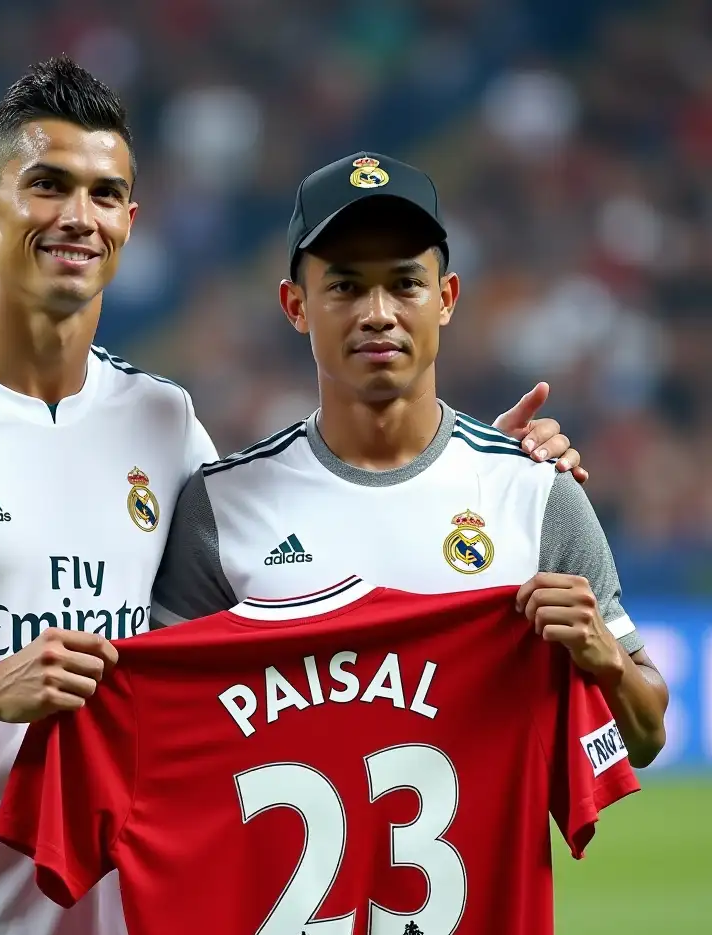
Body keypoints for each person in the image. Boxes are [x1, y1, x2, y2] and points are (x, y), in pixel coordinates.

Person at [0, 55, 583, 935]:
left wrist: (463, 476)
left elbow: (287, 627)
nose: (76, 215)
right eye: (46, 183)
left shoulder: (164, 422)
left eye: (106, 192)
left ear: (131, 221)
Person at [151, 151, 668, 770]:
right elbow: (159, 734)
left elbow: (645, 736)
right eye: (344, 285)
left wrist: (603, 657)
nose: (378, 314)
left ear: (445, 298)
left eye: (405, 283)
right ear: (295, 306)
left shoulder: (534, 494)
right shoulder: (220, 508)